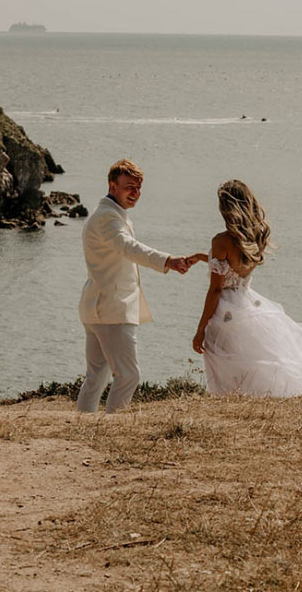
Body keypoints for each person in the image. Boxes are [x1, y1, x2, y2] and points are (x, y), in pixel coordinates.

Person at [189, 180, 302, 398]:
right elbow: (235, 267)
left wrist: (200, 329)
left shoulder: (220, 241)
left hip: (226, 308)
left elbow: (217, 290)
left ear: (225, 207)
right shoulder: (256, 236)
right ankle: (251, 397)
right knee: (253, 359)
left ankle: (231, 398)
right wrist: (202, 258)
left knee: (222, 354)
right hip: (247, 301)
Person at [77, 159, 196, 413]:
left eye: (139, 188)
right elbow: (128, 248)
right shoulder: (108, 217)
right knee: (128, 376)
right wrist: (168, 261)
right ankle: (114, 429)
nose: (135, 193)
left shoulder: (109, 214)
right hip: (111, 310)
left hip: (96, 307)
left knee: (96, 376)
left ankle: (82, 426)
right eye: (129, 187)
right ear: (112, 186)